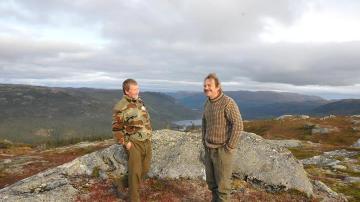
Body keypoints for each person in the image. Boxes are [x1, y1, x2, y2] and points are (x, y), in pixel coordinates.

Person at [202, 73, 243, 202]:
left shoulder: (228, 103)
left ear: (218, 86)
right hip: (209, 150)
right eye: (204, 85)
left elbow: (238, 124)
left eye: (209, 85)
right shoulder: (207, 103)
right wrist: (204, 141)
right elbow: (204, 123)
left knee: (223, 189)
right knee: (212, 184)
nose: (206, 88)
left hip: (222, 151)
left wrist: (230, 147)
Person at [112, 78, 152, 202]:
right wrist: (126, 143)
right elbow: (116, 129)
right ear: (126, 91)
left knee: (145, 170)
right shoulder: (120, 107)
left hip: (146, 141)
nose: (137, 91)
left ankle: (120, 182)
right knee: (135, 172)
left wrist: (149, 135)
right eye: (134, 89)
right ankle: (133, 199)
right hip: (133, 143)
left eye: (137, 88)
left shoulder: (140, 101)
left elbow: (146, 120)